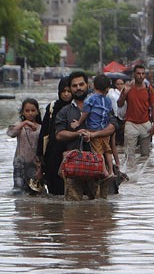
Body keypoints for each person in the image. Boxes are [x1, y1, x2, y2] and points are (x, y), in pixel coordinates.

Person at [55, 71, 117, 201]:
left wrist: (93, 134)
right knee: (73, 210)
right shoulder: (65, 111)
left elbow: (113, 126)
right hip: (74, 167)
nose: (78, 88)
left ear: (88, 85)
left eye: (81, 84)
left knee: (101, 209)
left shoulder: (103, 104)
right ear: (71, 88)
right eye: (74, 85)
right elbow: (59, 134)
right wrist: (77, 133)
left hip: (98, 168)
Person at [70, 74, 115, 179]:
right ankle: (111, 171)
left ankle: (104, 171)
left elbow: (86, 113)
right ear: (107, 88)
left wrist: (78, 122)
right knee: (108, 151)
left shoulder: (91, 99)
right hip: (104, 129)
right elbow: (109, 114)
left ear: (93, 86)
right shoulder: (108, 100)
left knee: (98, 153)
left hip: (93, 130)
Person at [117, 64, 154, 169]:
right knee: (129, 155)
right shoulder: (128, 88)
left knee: (146, 155)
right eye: (138, 74)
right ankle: (130, 175)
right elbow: (119, 104)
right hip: (131, 124)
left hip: (145, 124)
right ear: (134, 75)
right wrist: (124, 94)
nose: (141, 76)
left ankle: (144, 178)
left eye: (143, 73)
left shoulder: (149, 89)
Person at [37, 77, 72, 195]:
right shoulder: (52, 107)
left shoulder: (79, 108)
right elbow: (44, 132)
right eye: (63, 91)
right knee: (54, 192)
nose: (66, 94)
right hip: (52, 155)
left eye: (69, 91)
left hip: (71, 154)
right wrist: (40, 156)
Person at [7, 98, 42, 193]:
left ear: (37, 112)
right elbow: (11, 133)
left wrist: (41, 168)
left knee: (36, 192)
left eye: (33, 110)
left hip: (35, 165)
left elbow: (43, 149)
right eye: (27, 111)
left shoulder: (41, 128)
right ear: (22, 112)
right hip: (20, 164)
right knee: (18, 192)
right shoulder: (19, 126)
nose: (30, 113)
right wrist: (25, 123)